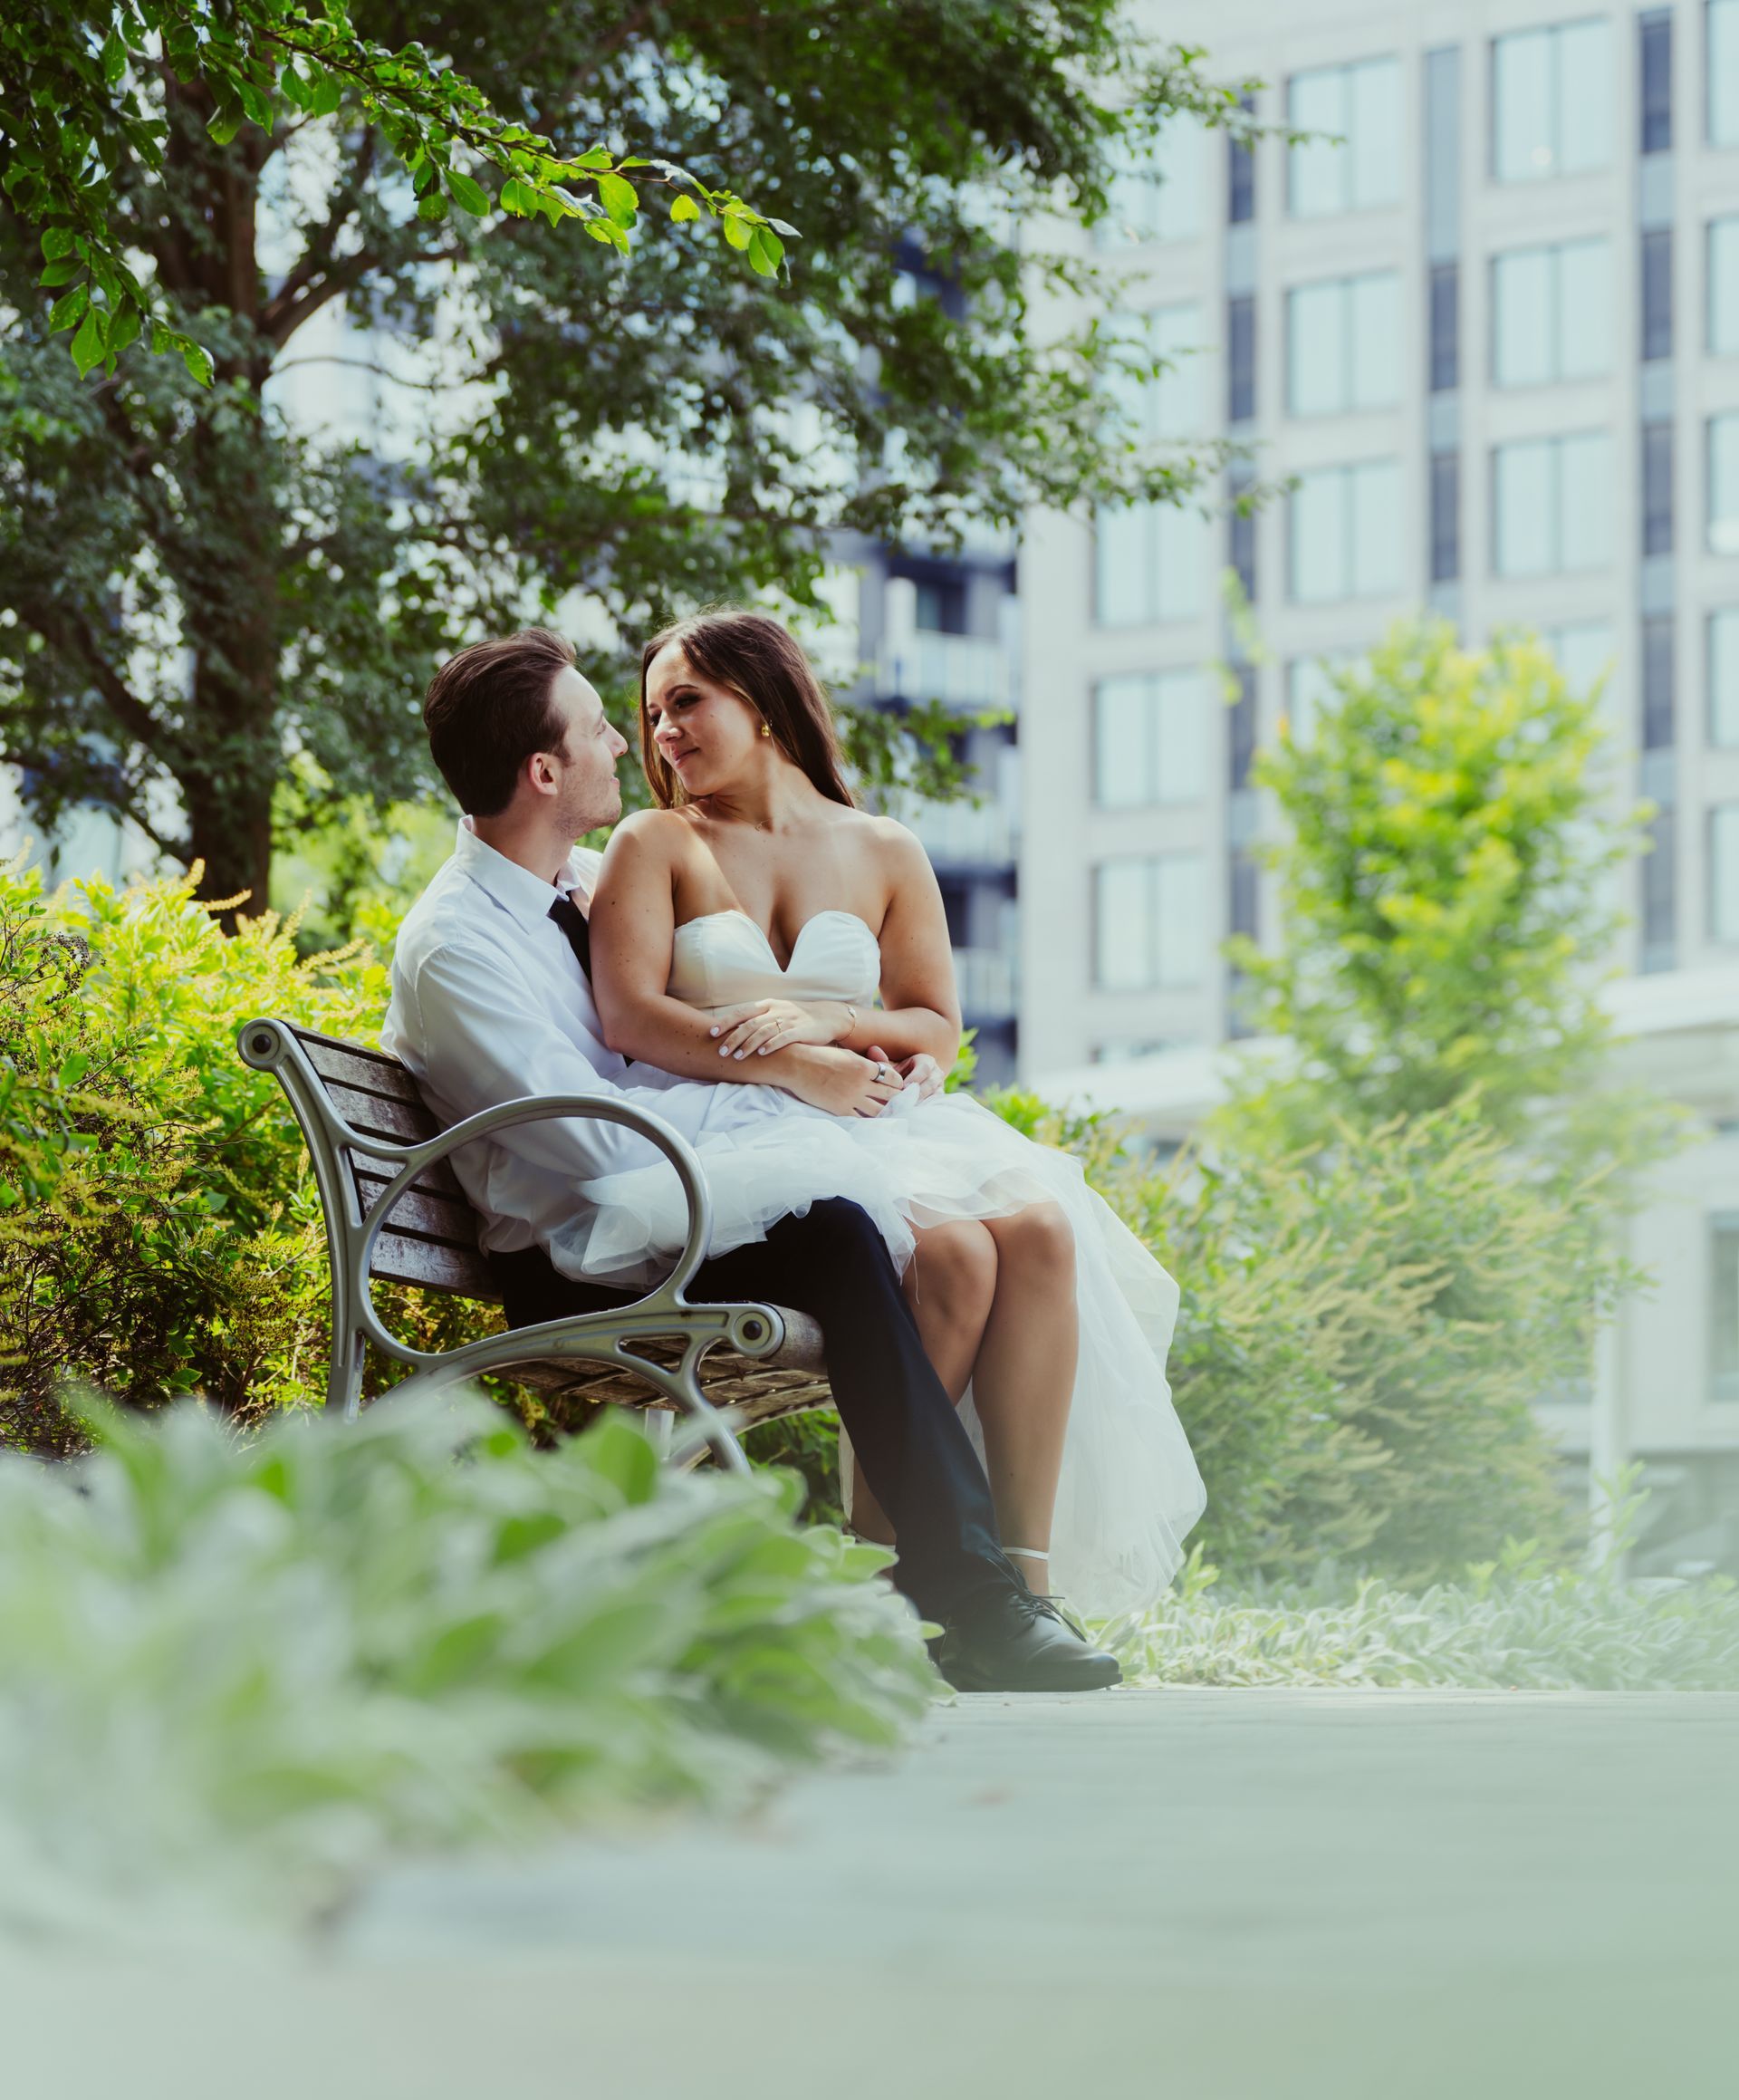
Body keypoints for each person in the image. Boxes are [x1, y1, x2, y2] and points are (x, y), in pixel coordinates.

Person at [381, 626, 1122, 1693]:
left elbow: (683, 1036)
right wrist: (797, 1093)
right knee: (840, 1226)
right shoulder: (460, 944)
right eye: (607, 725)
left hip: (666, 1193)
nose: (633, 742)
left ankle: (964, 1589)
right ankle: (964, 1594)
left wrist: (837, 1065)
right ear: (545, 771)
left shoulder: (576, 881)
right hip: (590, 1242)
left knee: (917, 1232)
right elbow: (594, 1146)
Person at [585, 610, 1206, 1618]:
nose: (664, 733)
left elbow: (935, 1027)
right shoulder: (655, 842)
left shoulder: (884, 848)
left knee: (1042, 1229)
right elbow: (630, 1016)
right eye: (652, 714)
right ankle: (884, 1581)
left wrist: (831, 1017)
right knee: (959, 1256)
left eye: (686, 702)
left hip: (877, 1119)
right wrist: (795, 1065)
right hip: (738, 1123)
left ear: (767, 702)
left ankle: (1022, 1586)